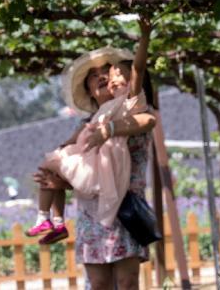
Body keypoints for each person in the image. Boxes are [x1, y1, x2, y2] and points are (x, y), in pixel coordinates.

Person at [34, 18, 158, 290]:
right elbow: (79, 171)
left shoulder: (133, 110)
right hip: (92, 212)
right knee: (98, 283)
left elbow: (147, 122)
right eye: (94, 74)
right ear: (89, 89)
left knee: (127, 283)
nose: (102, 76)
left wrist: (111, 129)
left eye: (108, 71)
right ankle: (52, 220)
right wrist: (60, 184)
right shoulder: (84, 126)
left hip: (126, 208)